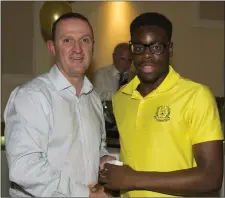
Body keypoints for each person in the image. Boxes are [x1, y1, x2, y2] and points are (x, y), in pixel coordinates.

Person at [99, 12, 224, 197]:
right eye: (139, 48)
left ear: (170, 50)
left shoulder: (196, 95)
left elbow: (211, 177)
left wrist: (132, 178)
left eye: (156, 47)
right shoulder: (121, 98)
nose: (147, 55)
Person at [4, 12, 115, 197]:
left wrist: (102, 158)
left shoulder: (94, 97)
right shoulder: (31, 97)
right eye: (67, 41)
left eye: (85, 40)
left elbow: (97, 145)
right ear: (52, 47)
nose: (77, 49)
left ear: (92, 47)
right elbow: (24, 168)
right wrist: (84, 193)